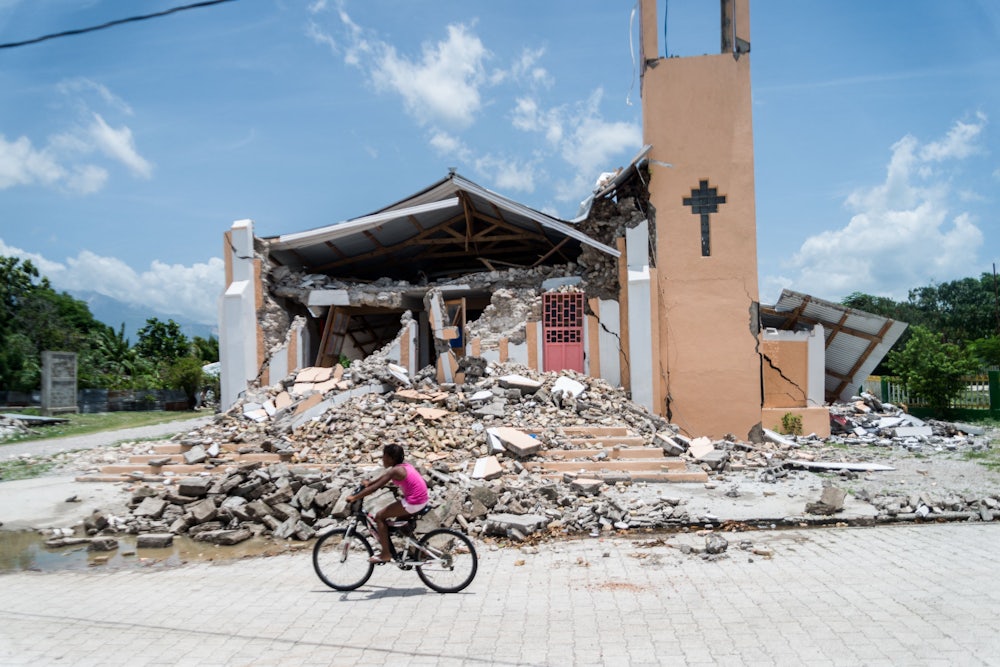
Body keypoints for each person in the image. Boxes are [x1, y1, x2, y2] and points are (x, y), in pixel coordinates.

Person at [346, 443, 429, 564]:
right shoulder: (402, 466)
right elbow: (383, 478)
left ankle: (385, 554)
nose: (382, 459)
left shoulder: (396, 470)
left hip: (414, 501)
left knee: (379, 517)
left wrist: (354, 497)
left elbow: (375, 488)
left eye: (383, 456)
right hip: (421, 500)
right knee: (401, 527)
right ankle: (419, 552)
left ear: (391, 458)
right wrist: (369, 483)